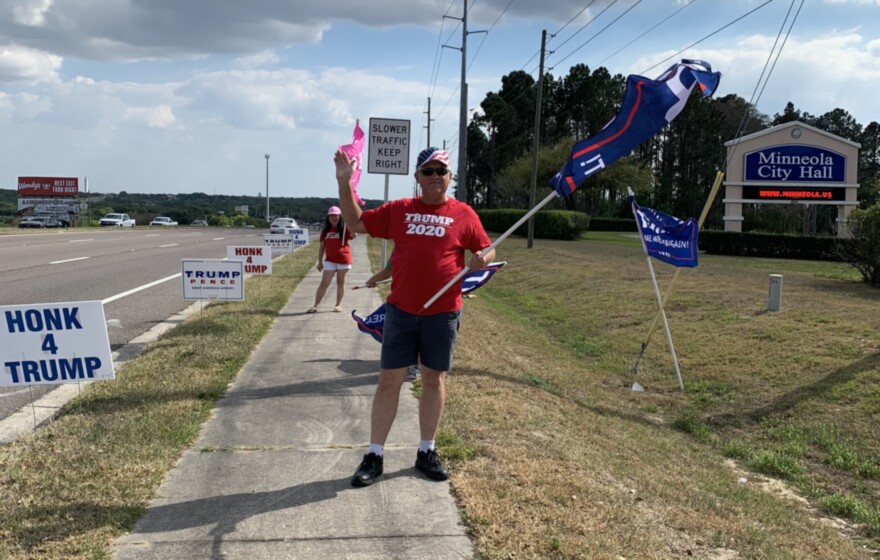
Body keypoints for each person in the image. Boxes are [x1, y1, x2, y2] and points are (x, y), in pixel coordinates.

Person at [333, 146, 495, 487]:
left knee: (434, 380)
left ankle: (426, 450)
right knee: (389, 380)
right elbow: (355, 222)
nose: (435, 176)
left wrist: (482, 256)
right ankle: (375, 454)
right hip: (402, 311)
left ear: (450, 178)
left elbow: (487, 246)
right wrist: (344, 183)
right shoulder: (400, 210)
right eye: (428, 170)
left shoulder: (464, 214)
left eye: (442, 171)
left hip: (442, 312)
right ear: (417, 177)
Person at [364, 255, 420, 383]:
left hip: (423, 302)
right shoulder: (400, 247)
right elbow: (388, 271)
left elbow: (387, 272)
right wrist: (373, 280)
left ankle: (416, 367)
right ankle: (411, 365)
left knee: (417, 336)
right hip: (404, 301)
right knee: (408, 337)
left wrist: (372, 280)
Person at [307, 206, 356, 313]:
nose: (334, 218)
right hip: (330, 260)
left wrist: (352, 226)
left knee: (340, 282)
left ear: (340, 216)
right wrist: (319, 261)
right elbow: (321, 247)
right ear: (328, 217)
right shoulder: (325, 231)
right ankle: (315, 305)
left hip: (343, 260)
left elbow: (353, 234)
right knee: (324, 283)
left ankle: (338, 305)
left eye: (336, 215)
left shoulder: (345, 229)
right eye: (331, 216)